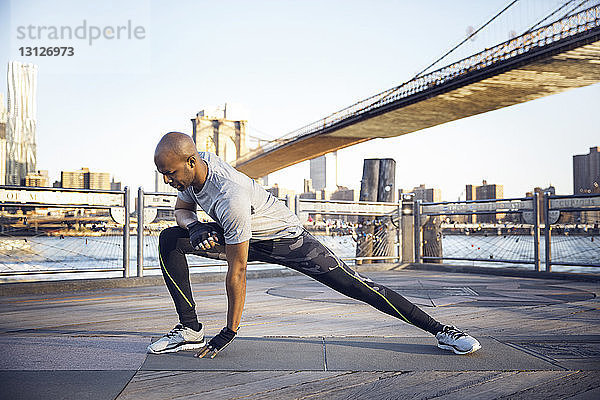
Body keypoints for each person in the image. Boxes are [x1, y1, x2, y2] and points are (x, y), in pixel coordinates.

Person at [148, 132, 481, 358]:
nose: (167, 180)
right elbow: (182, 210)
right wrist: (192, 228)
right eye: (164, 174)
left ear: (191, 161)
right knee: (170, 240)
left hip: (289, 242)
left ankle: (442, 331)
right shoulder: (191, 173)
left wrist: (229, 331)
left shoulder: (229, 195)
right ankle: (190, 329)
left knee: (359, 287)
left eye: (170, 173)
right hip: (246, 234)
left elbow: (238, 271)